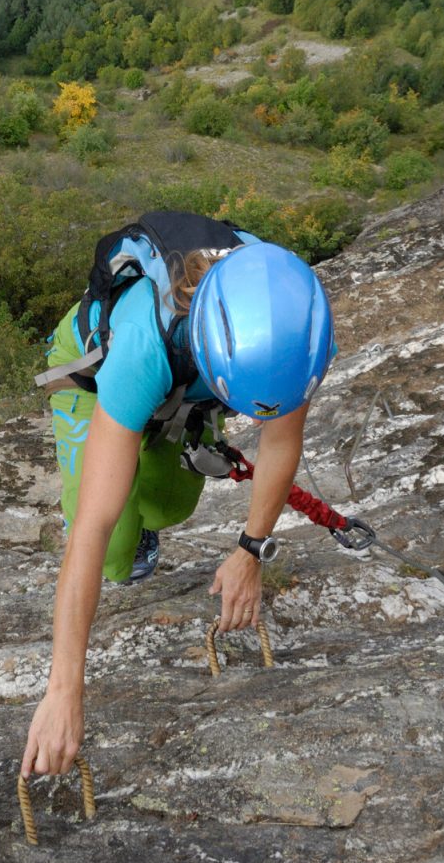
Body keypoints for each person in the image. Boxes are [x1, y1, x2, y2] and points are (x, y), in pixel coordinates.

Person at [21, 225, 335, 779]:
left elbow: (281, 439)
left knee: (171, 507)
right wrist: (64, 691)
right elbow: (92, 526)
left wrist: (251, 551)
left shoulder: (294, 328)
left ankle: (148, 470)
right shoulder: (143, 347)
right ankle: (124, 470)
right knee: (114, 548)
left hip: (188, 388)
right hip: (97, 375)